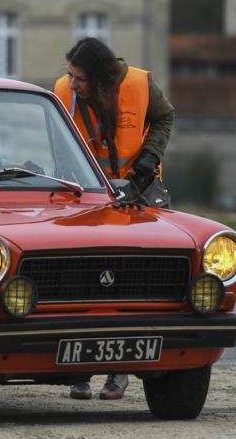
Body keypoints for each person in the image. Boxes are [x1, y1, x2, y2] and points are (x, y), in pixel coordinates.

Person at [53, 37, 175, 400]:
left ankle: (118, 370)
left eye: (80, 78)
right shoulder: (62, 90)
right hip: (84, 197)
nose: (72, 83)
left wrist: (148, 161)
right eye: (70, 75)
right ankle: (78, 369)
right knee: (79, 284)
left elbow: (165, 117)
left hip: (138, 192)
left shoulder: (140, 84)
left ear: (102, 79)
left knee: (130, 284)